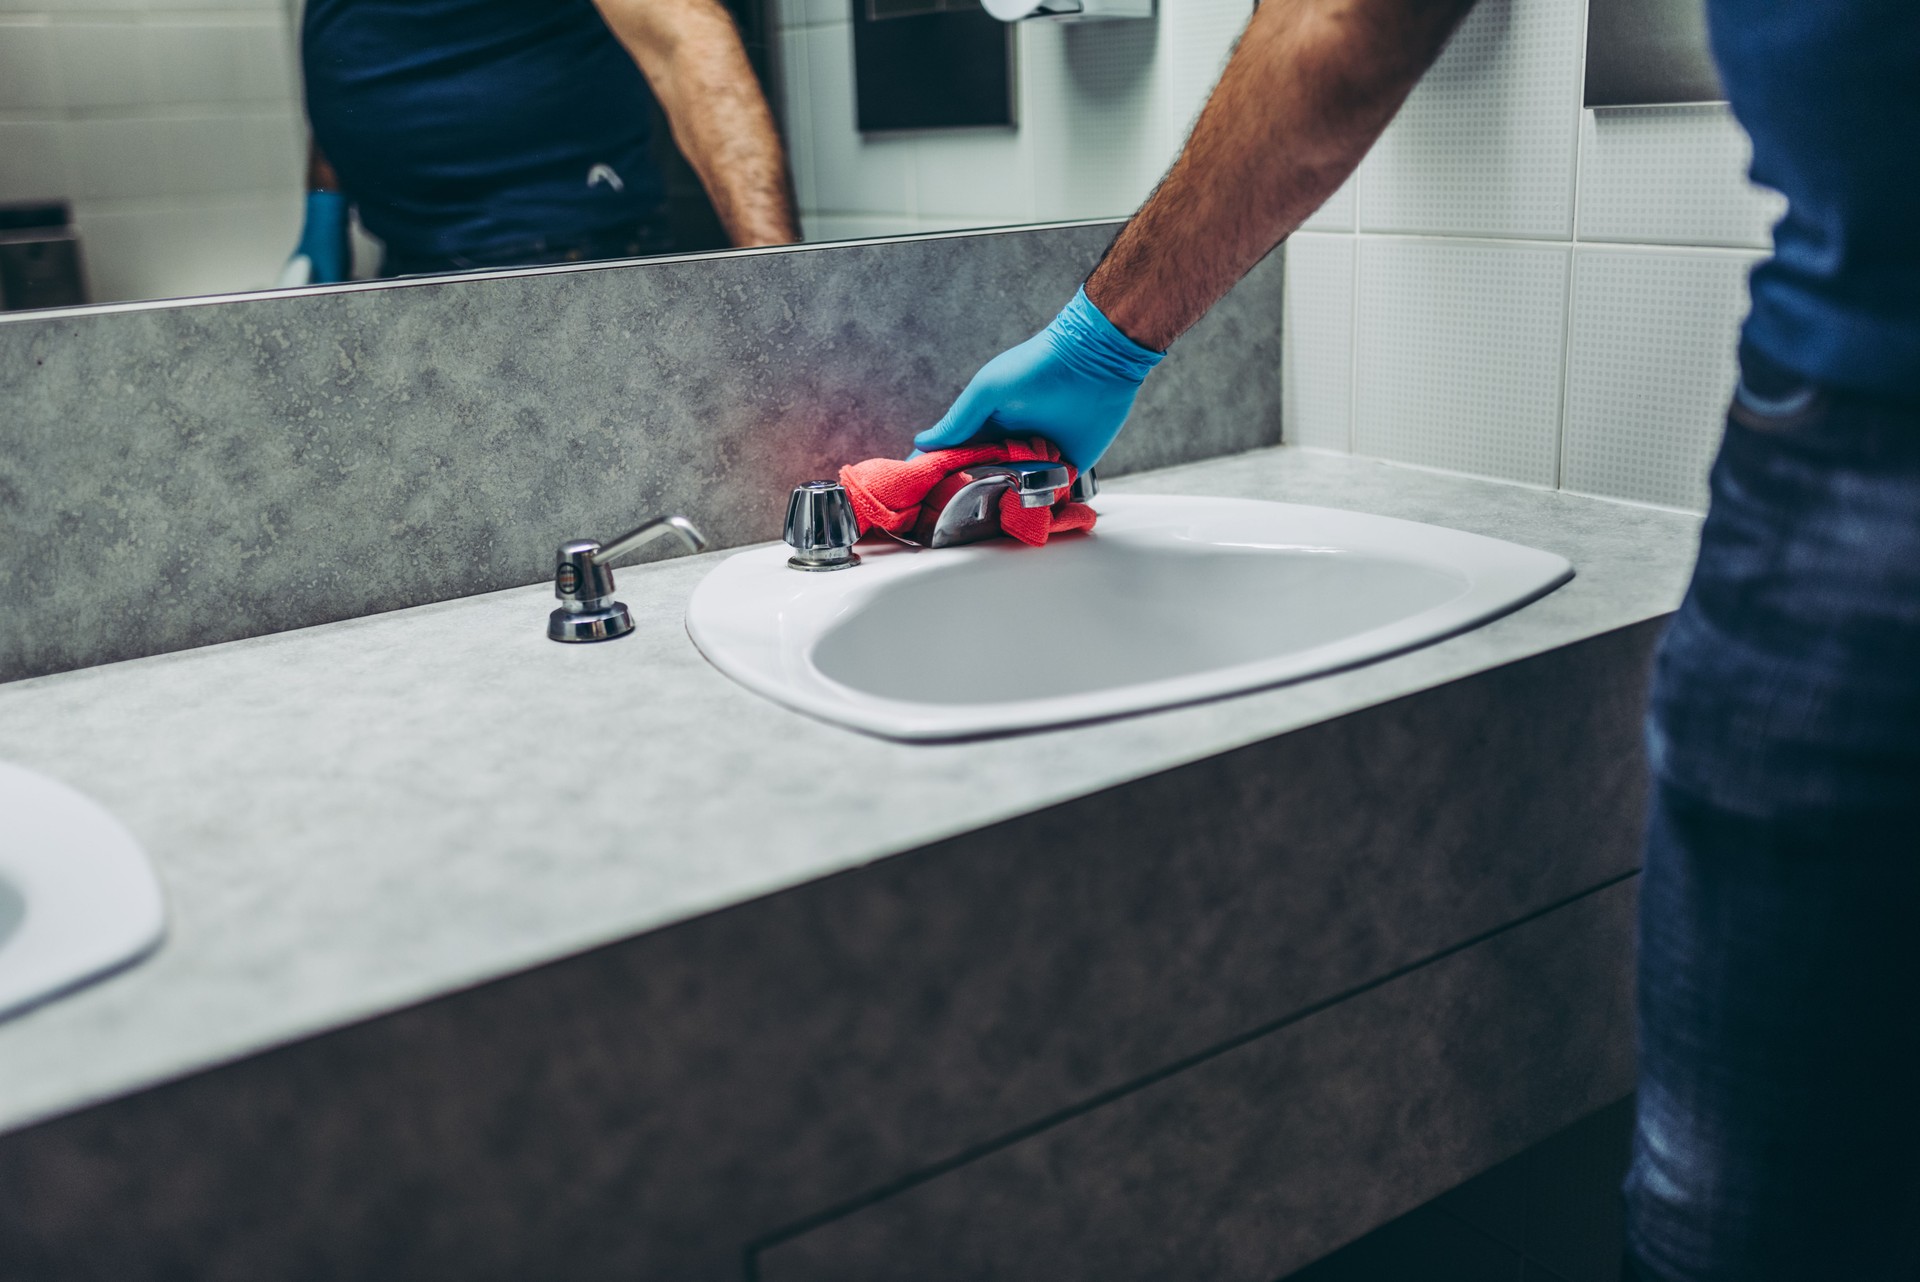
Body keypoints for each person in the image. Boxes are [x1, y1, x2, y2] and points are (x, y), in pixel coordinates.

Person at [917, 0, 1920, 1278]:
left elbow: (1339, 24)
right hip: (1859, 445)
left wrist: (1100, 338)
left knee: (1751, 1227)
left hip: (1870, 459)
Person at [283, 0, 797, 283]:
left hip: (554, 263)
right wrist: (323, 206)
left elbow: (682, 34)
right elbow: (353, 59)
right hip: (411, 259)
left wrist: (782, 278)